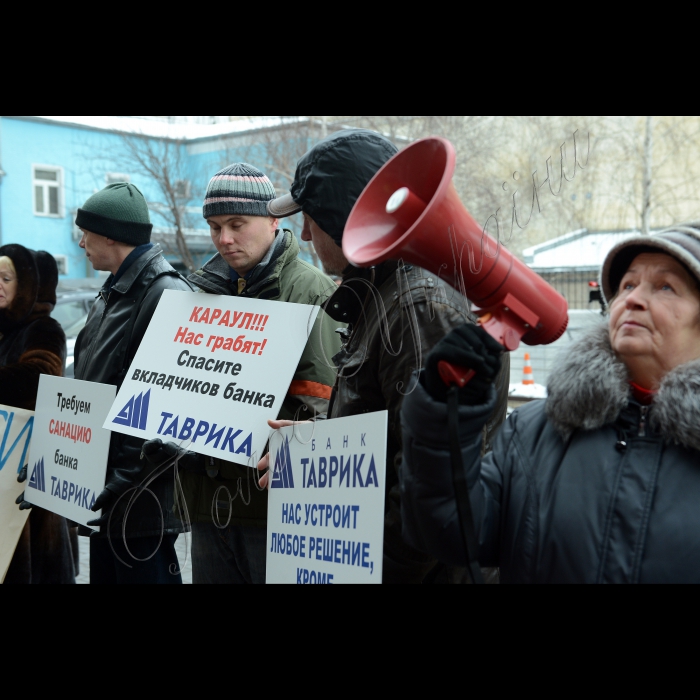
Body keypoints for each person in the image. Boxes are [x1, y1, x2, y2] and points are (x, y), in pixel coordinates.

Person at [262, 129, 510, 583]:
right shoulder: (386, 291)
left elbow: (427, 482)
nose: (304, 233)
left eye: (311, 218)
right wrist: (321, 444)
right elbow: (395, 430)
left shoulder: (417, 306)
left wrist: (366, 571)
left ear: (342, 219)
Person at [400, 223, 700, 583]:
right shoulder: (533, 431)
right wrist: (442, 409)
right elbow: (447, 531)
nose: (632, 299)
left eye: (666, 287)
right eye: (628, 285)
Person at [144, 163, 340, 584]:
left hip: (271, 507)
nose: (224, 239)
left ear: (273, 220)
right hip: (206, 502)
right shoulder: (198, 295)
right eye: (215, 227)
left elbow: (323, 405)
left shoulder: (310, 292)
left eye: (237, 224)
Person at [72, 182, 192, 584]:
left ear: (111, 235)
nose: (81, 240)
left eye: (85, 231)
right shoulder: (111, 293)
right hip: (104, 496)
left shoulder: (165, 293)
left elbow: (165, 404)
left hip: (142, 506)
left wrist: (125, 476)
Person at [1, 244, 75, 584]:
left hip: (26, 479)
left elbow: (36, 384)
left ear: (27, 287)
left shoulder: (43, 329)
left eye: (5, 277)